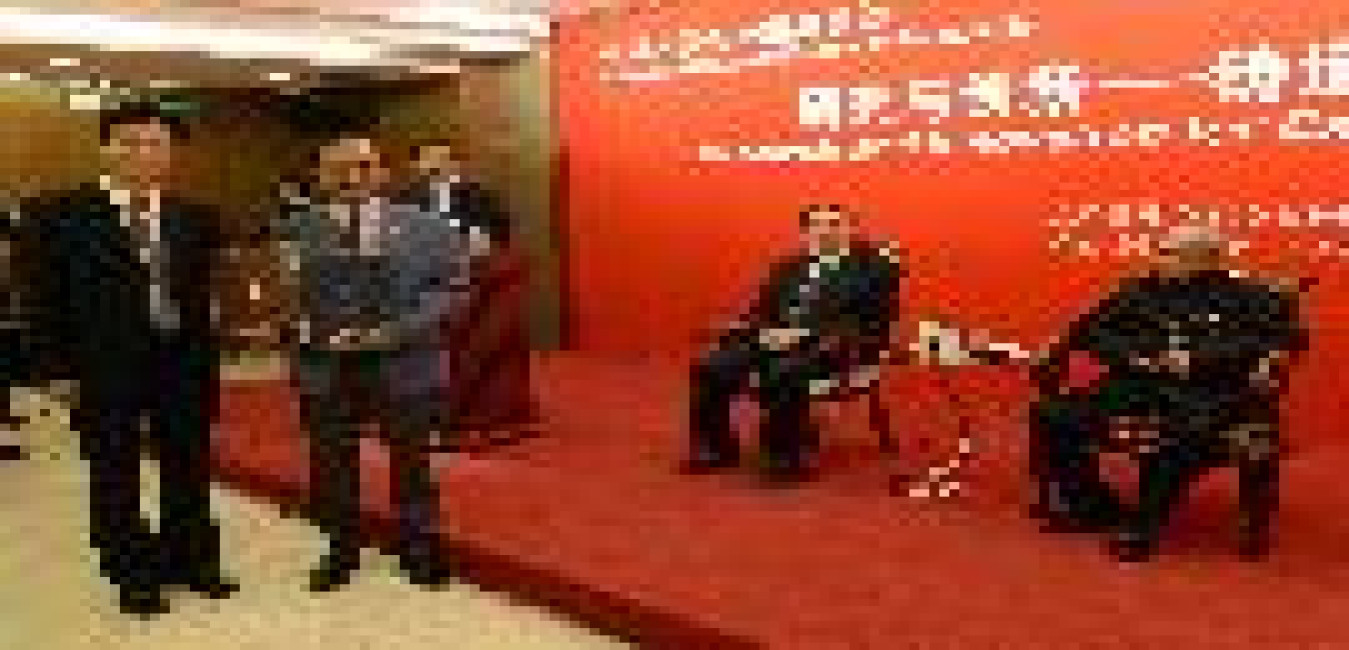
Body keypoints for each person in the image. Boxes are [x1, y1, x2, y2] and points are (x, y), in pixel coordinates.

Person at [23, 103, 239, 616]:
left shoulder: (194, 216)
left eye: (156, 143)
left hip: (182, 365)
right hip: (102, 366)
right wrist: (54, 368)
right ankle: (132, 574)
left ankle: (193, 561)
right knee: (114, 472)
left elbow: (208, 293)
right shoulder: (59, 214)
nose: (144, 153)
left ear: (172, 153)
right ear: (106, 148)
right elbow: (41, 297)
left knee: (188, 467)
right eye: (130, 142)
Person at [278, 135, 483, 592]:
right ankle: (341, 547)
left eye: (364, 166)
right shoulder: (293, 229)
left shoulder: (429, 227)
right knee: (331, 464)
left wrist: (396, 331)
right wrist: (294, 324)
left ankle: (418, 546)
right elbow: (278, 294)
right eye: (338, 169)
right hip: (324, 366)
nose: (352, 178)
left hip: (405, 363)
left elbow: (454, 290)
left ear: (383, 172)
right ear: (319, 175)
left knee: (412, 462)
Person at [1030, 225, 1308, 562]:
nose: (1158, 259)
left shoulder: (1253, 298)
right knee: (1054, 415)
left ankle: (1143, 525)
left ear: (1206, 260)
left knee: (1172, 433)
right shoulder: (1139, 290)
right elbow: (1088, 332)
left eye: (1169, 253)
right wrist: (1137, 355)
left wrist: (1197, 360)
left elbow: (1284, 342)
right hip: (1137, 385)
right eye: (1159, 251)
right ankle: (1093, 508)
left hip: (1213, 392)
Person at [683, 205, 902, 485]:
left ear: (851, 229)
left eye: (835, 224)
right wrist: (763, 332)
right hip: (776, 339)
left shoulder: (874, 270)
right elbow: (760, 311)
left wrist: (805, 335)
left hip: (836, 346)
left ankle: (784, 456)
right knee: (711, 365)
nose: (826, 231)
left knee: (783, 372)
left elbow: (874, 323)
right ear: (806, 232)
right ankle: (716, 446)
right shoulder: (788, 267)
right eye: (817, 226)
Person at [399, 140, 511, 247]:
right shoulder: (413, 201)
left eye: (443, 161)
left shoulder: (476, 196)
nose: (437, 168)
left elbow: (499, 233)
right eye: (430, 166)